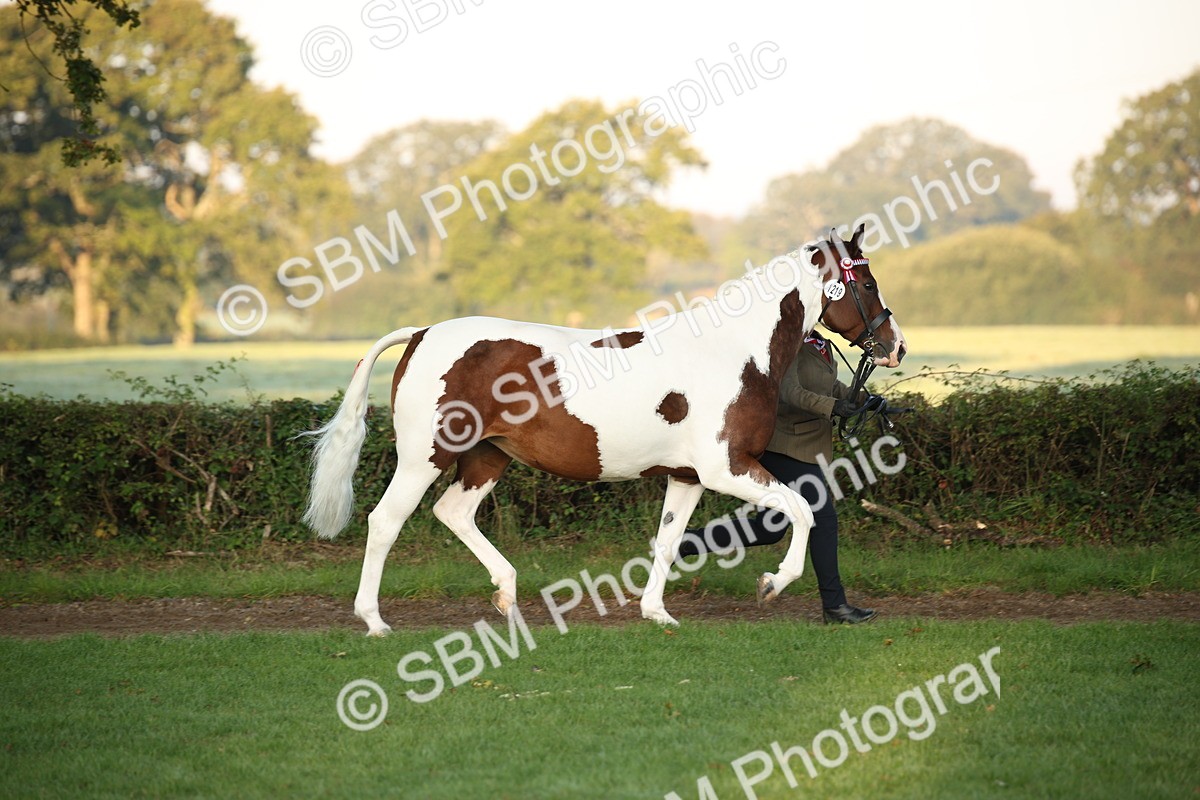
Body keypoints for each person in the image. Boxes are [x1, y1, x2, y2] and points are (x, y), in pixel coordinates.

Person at [677, 330, 877, 624]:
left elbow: (829, 385)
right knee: (823, 519)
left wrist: (866, 400)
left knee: (769, 528)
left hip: (806, 447)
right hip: (785, 445)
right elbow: (788, 392)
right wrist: (834, 408)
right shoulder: (790, 339)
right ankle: (835, 606)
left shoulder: (818, 341)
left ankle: (684, 543)